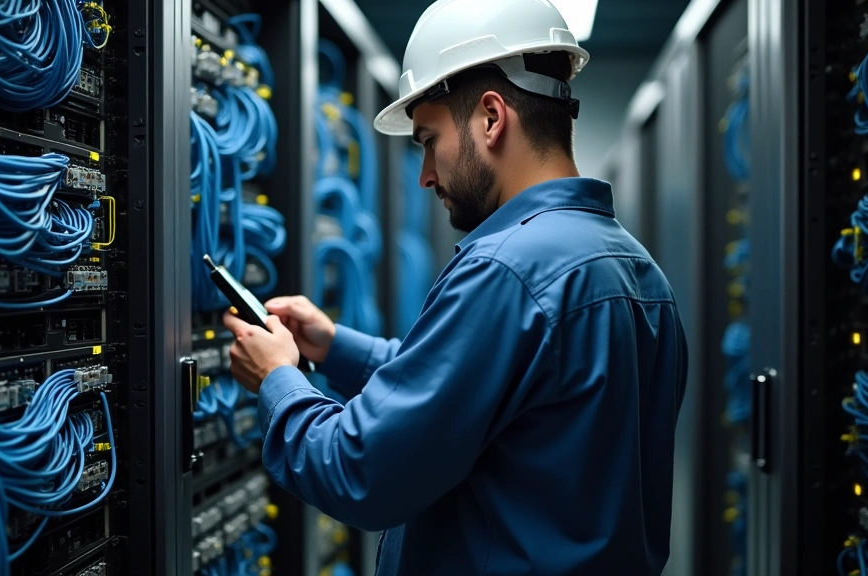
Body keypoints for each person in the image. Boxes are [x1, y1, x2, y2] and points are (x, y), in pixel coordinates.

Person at [221, 0, 689, 573]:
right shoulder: (634, 268)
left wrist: (278, 380)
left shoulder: (507, 268)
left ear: (491, 118)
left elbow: (359, 472)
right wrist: (333, 345)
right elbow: (491, 391)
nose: (424, 175)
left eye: (426, 140)